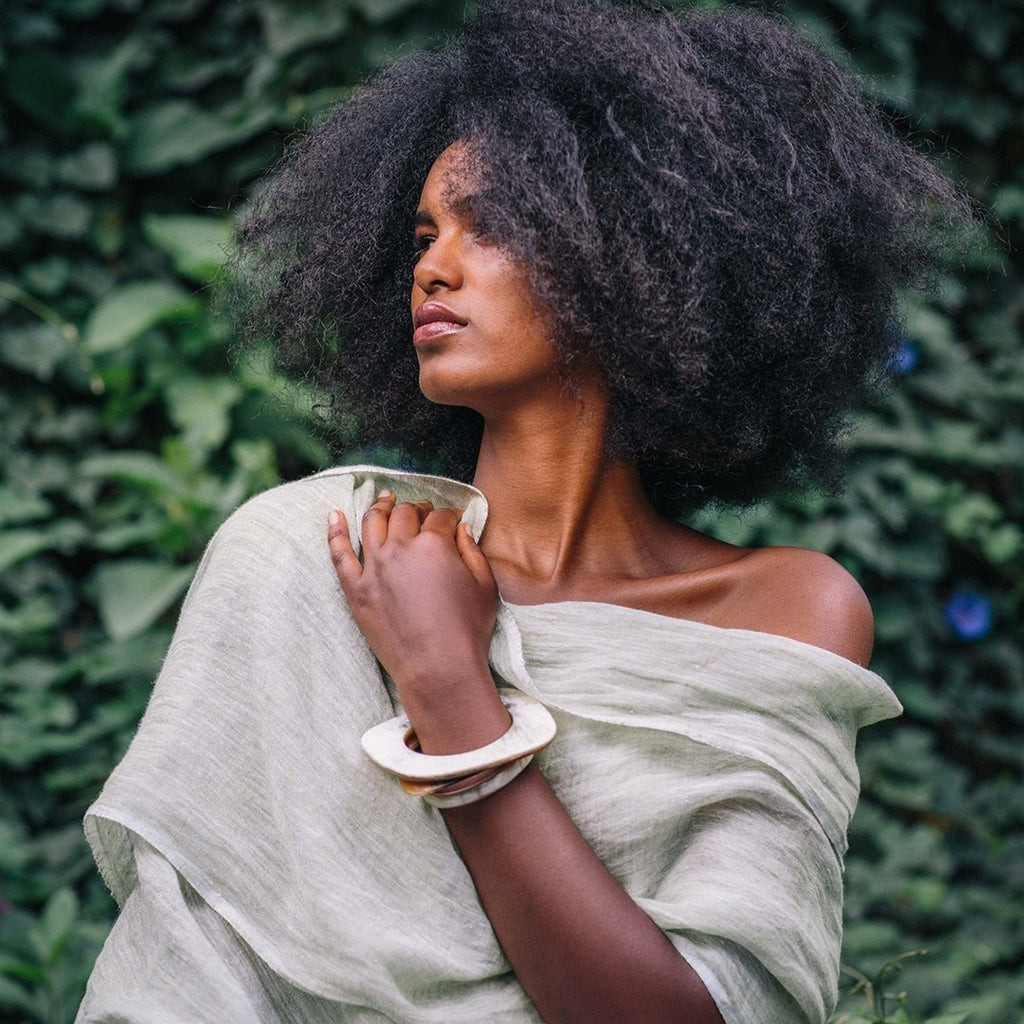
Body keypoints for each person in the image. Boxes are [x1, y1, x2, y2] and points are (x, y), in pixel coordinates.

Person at [77, 1, 966, 1022]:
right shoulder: (314, 555)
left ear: (642, 253)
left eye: (491, 224)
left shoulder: (787, 608)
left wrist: (450, 687)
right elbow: (186, 976)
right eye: (424, 234)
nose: (431, 266)